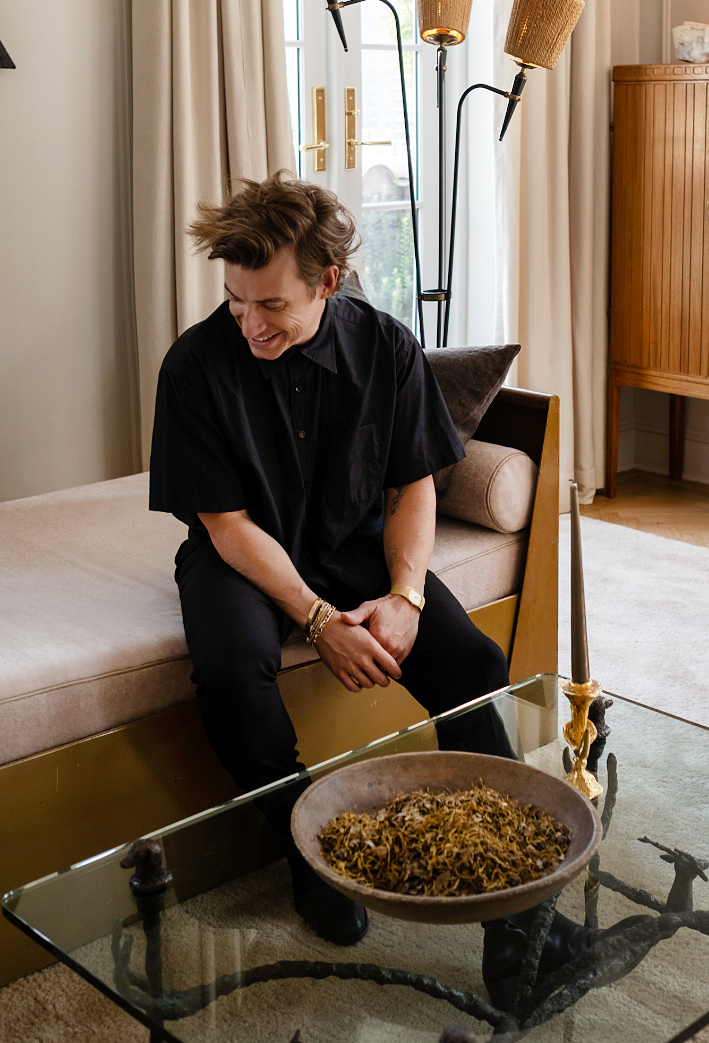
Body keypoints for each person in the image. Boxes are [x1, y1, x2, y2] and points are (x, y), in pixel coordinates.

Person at [149, 171, 513, 946]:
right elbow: (226, 524)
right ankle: (308, 853)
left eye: (272, 304)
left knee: (474, 662)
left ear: (328, 281)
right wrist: (317, 621)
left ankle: (509, 881)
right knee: (230, 670)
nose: (250, 322)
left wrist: (406, 596)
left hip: (352, 544)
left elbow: (412, 487)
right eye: (236, 300)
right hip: (239, 552)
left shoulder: (386, 347)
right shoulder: (193, 365)